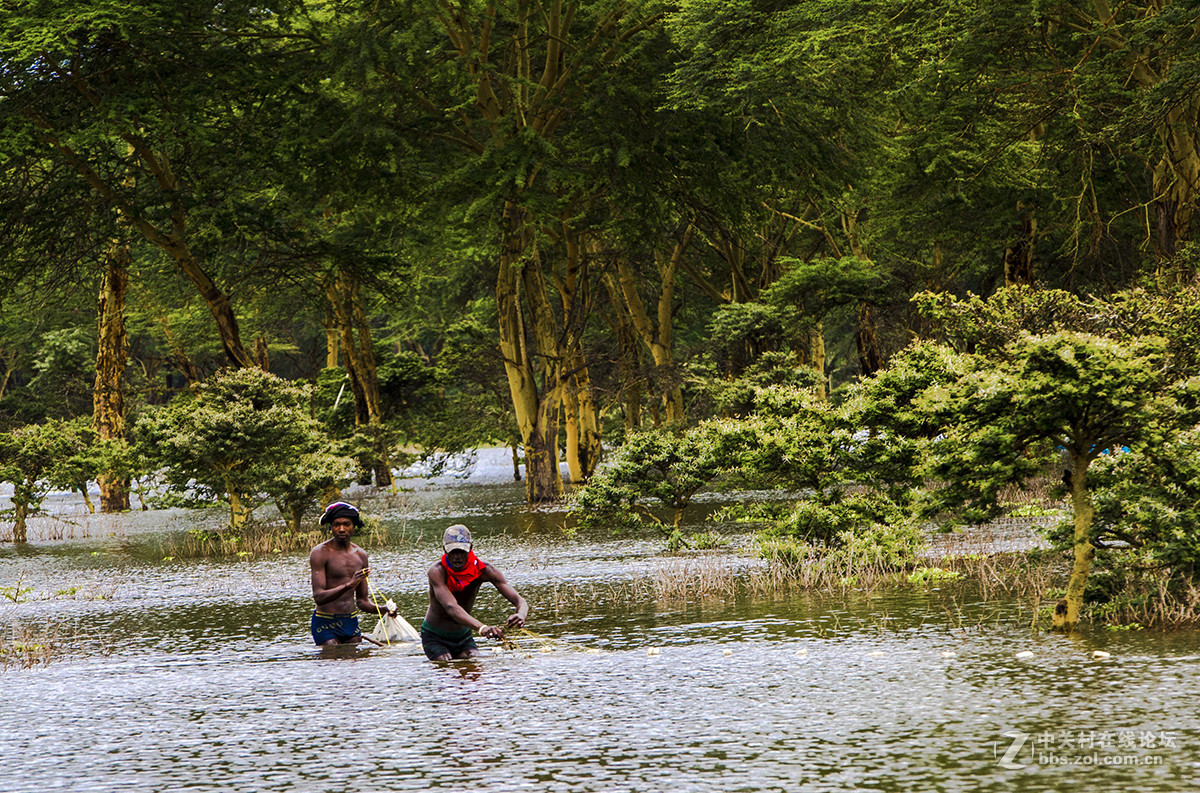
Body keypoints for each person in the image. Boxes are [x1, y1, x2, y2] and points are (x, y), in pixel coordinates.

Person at [422, 523, 528, 660]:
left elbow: (520, 601)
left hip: (463, 635)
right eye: (452, 552)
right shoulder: (437, 572)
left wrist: (521, 614)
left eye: (461, 551)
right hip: (435, 635)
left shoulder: (484, 570)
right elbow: (451, 607)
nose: (457, 557)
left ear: (470, 548)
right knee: (446, 666)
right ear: (444, 550)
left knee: (474, 665)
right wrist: (481, 627)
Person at [309, 501, 395, 646]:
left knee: (355, 661)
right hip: (325, 622)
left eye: (346, 524)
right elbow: (319, 597)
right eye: (337, 524)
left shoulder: (361, 555)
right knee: (332, 655)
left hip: (351, 622)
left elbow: (362, 602)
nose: (341, 529)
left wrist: (384, 609)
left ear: (353, 526)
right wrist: (349, 585)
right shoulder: (320, 553)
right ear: (331, 528)